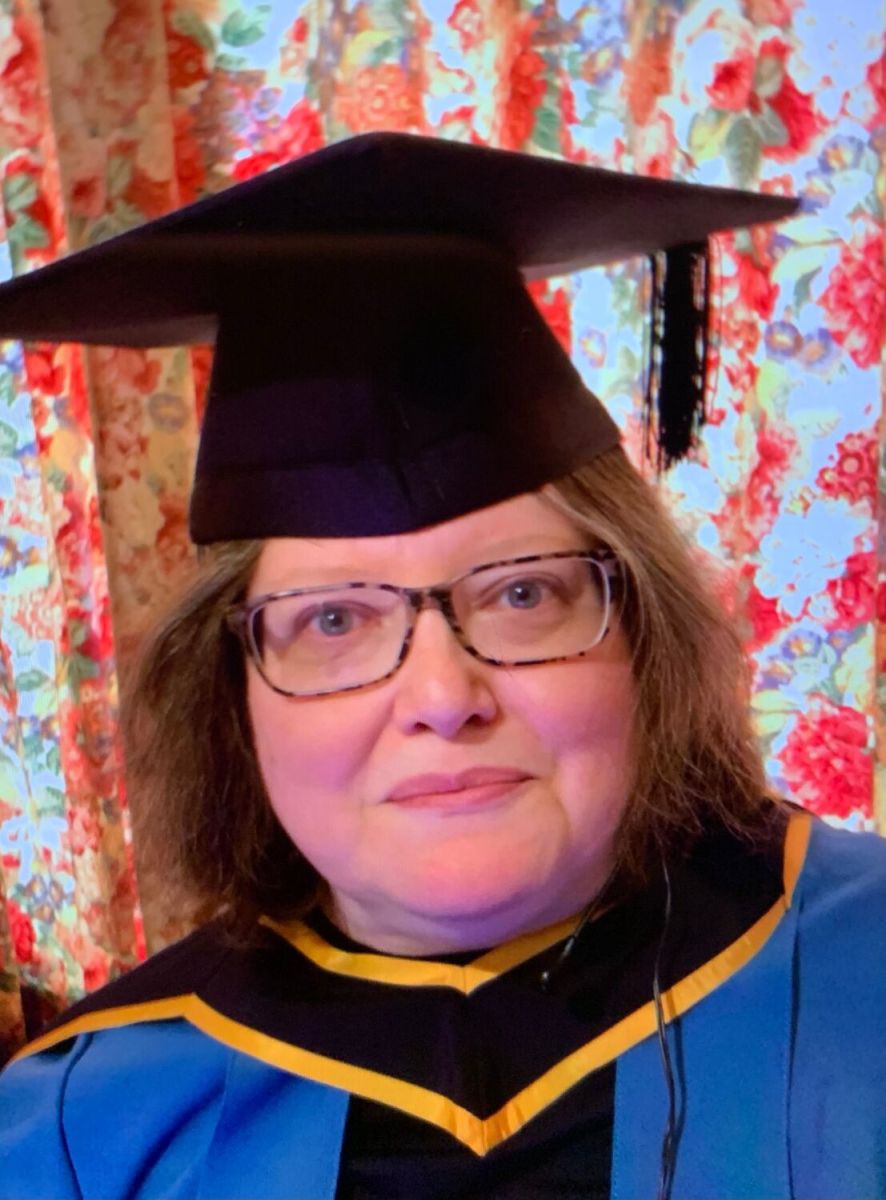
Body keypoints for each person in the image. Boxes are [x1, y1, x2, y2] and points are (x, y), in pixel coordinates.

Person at [0, 133, 884, 1200]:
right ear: (227, 697)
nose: (441, 698)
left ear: (642, 638)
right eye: (332, 621)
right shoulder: (79, 1130)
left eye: (522, 595)